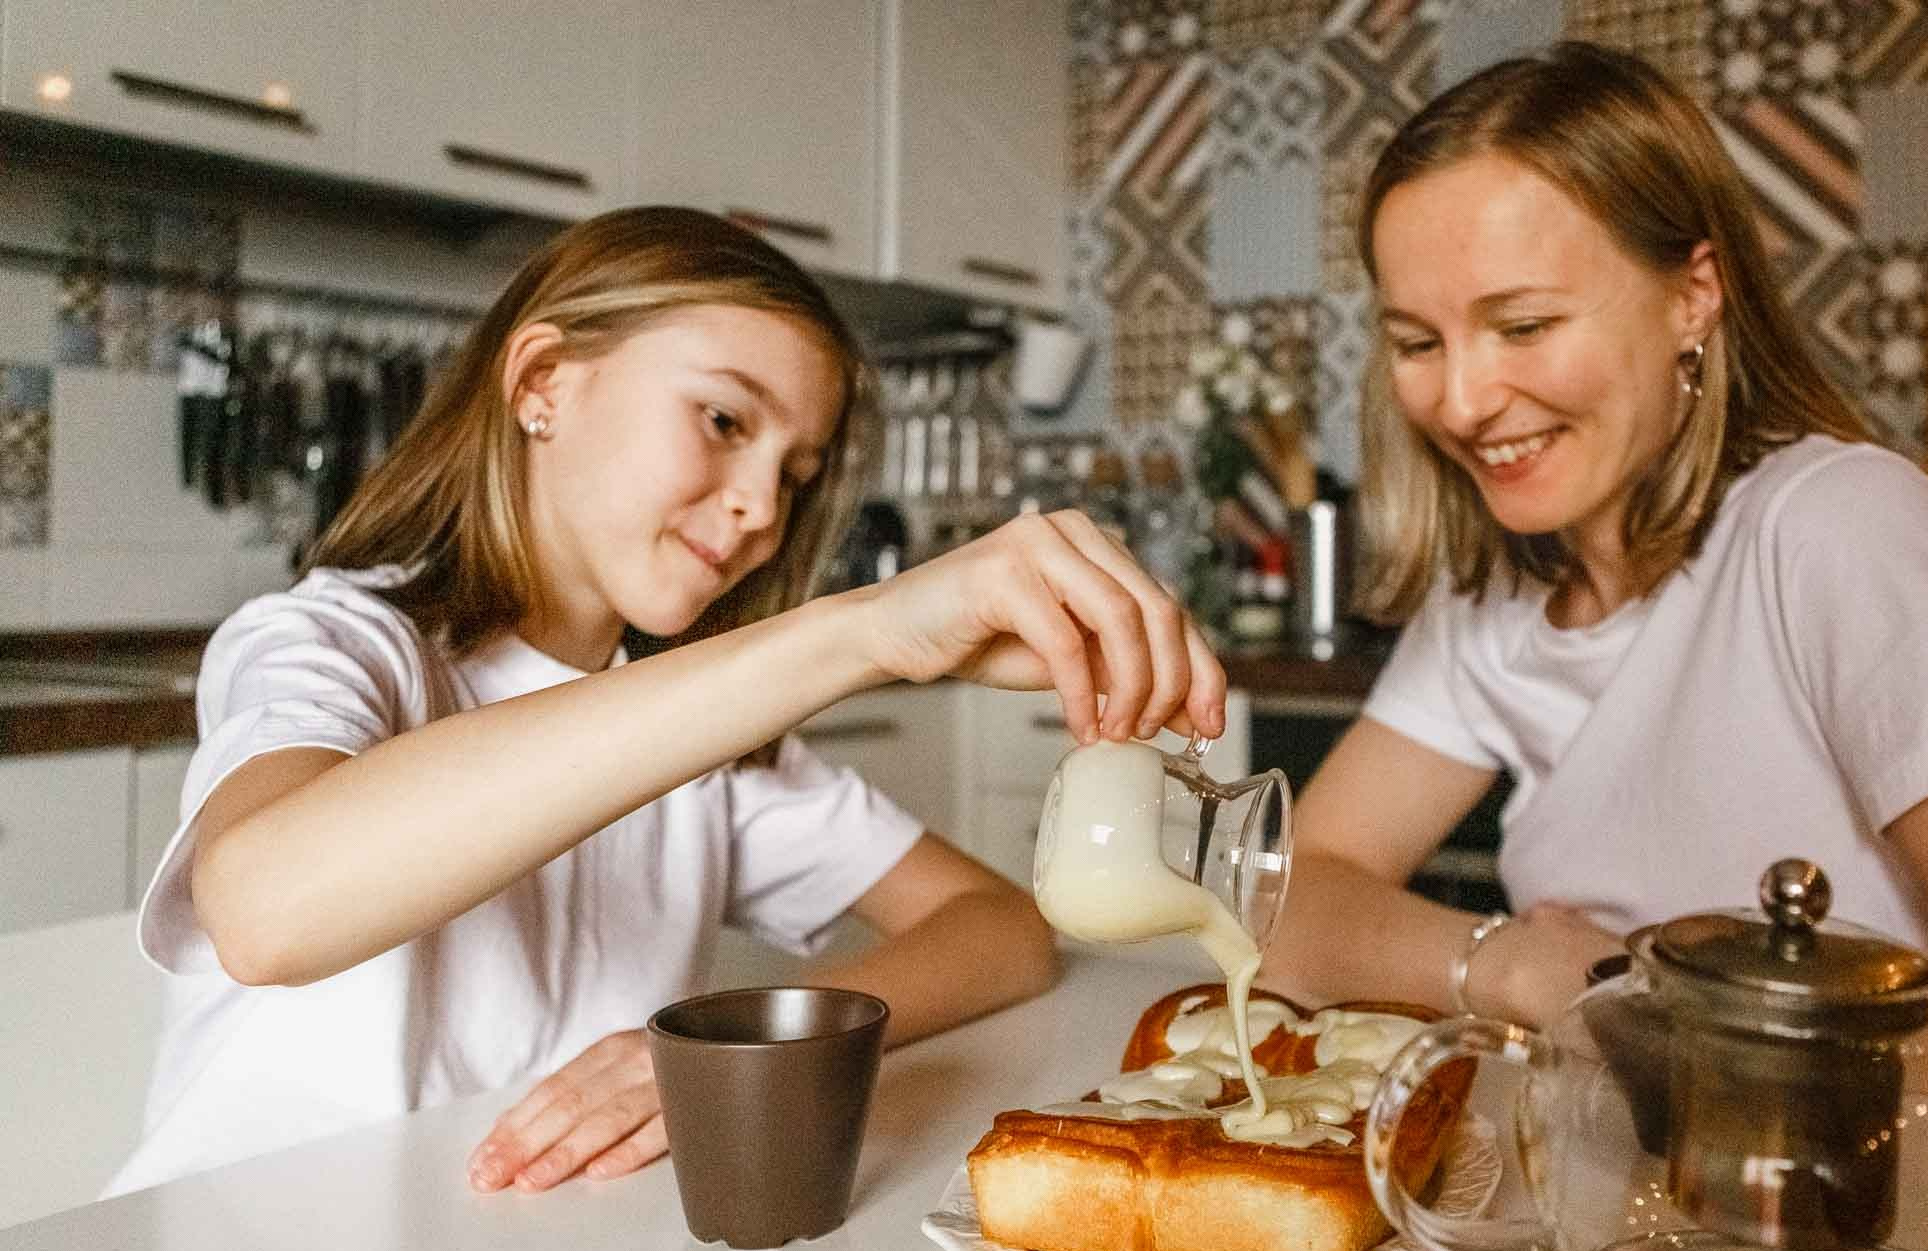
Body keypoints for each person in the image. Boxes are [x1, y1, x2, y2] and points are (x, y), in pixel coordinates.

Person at [111, 206, 1225, 1198]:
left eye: (795, 473)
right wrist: (859, 629)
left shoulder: (713, 742)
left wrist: (746, 1039)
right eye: (726, 422)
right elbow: (265, 912)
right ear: (544, 382)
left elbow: (1002, 932)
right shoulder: (331, 644)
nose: (758, 509)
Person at [1259, 45, 1928, 1113]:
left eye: (1523, 325)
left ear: (1692, 297)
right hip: (1625, 1189)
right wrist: (1512, 966)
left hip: (1875, 1214)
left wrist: (1658, 995)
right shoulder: (1494, 596)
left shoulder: (1838, 531)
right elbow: (1286, 901)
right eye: (1418, 341)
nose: (1465, 399)